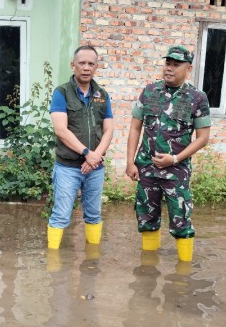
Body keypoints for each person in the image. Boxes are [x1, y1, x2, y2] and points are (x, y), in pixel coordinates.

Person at [125, 45, 210, 261]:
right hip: (147, 167)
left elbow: (203, 138)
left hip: (177, 172)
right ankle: (148, 269)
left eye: (176, 65)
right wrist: (130, 162)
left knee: (181, 221)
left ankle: (183, 276)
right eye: (167, 63)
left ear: (188, 68)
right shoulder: (149, 91)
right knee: (146, 218)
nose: (169, 68)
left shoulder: (197, 98)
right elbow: (135, 128)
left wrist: (175, 158)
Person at [47, 45, 114, 249]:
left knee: (94, 215)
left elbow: (109, 130)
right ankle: (53, 263)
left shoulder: (102, 94)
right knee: (61, 215)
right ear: (73, 65)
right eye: (82, 63)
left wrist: (95, 158)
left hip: (95, 168)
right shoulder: (62, 93)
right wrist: (87, 153)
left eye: (91, 64)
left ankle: (92, 262)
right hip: (68, 167)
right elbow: (61, 130)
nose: (86, 68)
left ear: (96, 67)